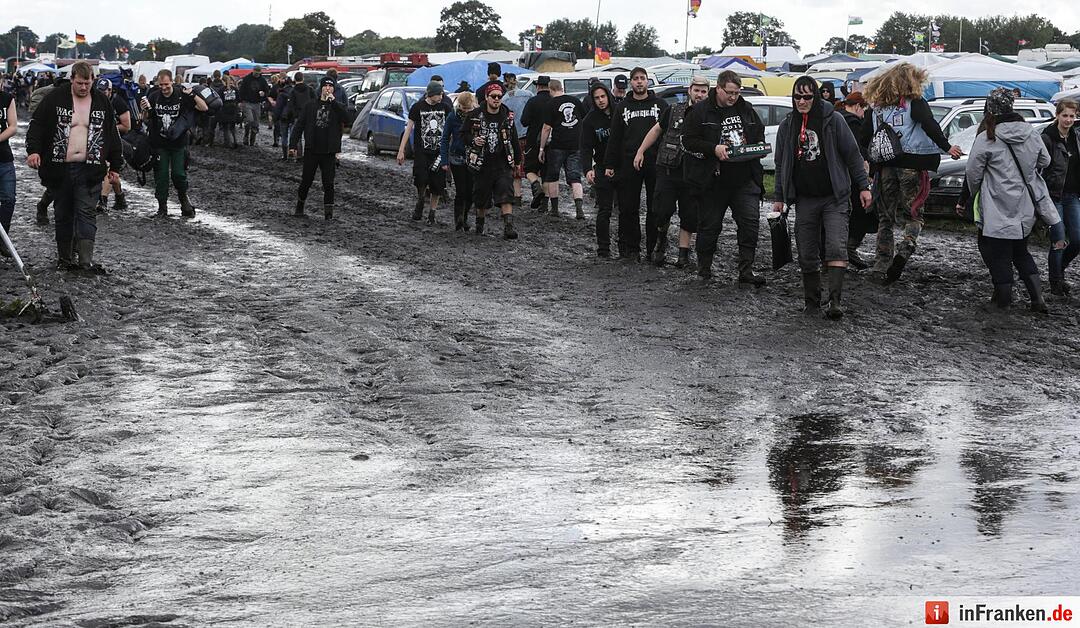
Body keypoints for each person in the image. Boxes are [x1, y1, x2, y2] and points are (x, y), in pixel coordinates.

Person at [773, 77, 873, 319]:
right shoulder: (787, 125)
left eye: (807, 97)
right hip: (805, 197)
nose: (802, 102)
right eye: (798, 97)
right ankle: (811, 302)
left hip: (834, 196)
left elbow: (852, 155)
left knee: (836, 246)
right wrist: (779, 196)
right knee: (806, 251)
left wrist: (863, 186)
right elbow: (780, 163)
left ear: (816, 97)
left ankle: (835, 302)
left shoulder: (834, 120)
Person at [860, 63, 962, 284]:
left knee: (885, 217)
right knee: (914, 214)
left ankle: (881, 262)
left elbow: (863, 137)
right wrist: (947, 148)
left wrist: (868, 163)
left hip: (885, 167)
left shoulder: (876, 108)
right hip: (912, 165)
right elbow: (930, 125)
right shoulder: (914, 104)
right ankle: (905, 250)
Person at [966, 88, 1064, 313]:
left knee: (1000, 254)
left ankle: (1003, 302)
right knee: (1021, 251)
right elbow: (1046, 160)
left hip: (996, 204)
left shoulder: (987, 137)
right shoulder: (1030, 132)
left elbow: (973, 173)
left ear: (989, 109)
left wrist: (975, 193)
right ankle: (1038, 300)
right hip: (1024, 205)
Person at [25, 61, 123, 272]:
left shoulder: (102, 102)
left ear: (92, 81)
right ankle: (65, 259)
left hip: (90, 168)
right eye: (79, 83)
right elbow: (37, 126)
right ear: (71, 80)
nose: (83, 87)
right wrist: (33, 151)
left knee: (87, 212)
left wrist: (115, 165)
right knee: (63, 213)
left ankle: (85, 261)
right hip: (60, 168)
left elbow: (112, 134)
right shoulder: (55, 98)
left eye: (87, 83)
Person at [682, 70, 768, 285]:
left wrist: (755, 148)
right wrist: (713, 149)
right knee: (709, 226)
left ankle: (746, 271)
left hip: (744, 178)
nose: (733, 97)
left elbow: (758, 133)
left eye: (737, 93)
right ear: (718, 88)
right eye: (729, 92)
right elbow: (688, 140)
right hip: (713, 179)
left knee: (750, 224)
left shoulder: (746, 109)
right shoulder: (701, 111)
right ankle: (704, 270)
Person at [634, 76, 710, 267]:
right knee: (661, 210)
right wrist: (640, 151)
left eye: (703, 91)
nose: (699, 95)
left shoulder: (709, 117)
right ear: (689, 91)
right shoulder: (674, 110)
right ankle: (662, 239)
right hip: (668, 170)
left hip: (693, 174)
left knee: (690, 215)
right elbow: (656, 131)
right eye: (697, 90)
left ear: (708, 93)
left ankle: (683, 254)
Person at [604, 67, 668, 262]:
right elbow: (615, 137)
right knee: (628, 207)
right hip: (628, 162)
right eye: (636, 79)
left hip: (655, 162)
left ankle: (653, 248)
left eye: (643, 78)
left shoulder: (661, 104)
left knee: (654, 207)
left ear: (648, 81)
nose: (639, 82)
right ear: (631, 82)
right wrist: (610, 163)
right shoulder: (623, 107)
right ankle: (629, 248)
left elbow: (667, 134)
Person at [141, 68, 208, 218]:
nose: (164, 88)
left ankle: (184, 201)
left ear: (171, 81)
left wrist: (192, 94)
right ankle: (162, 208)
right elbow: (146, 118)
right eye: (161, 85)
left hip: (178, 143)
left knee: (178, 174)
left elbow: (204, 107)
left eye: (166, 84)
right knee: (161, 176)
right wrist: (144, 110)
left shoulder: (181, 95)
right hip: (159, 143)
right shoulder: (153, 96)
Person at [463, 83, 520, 239]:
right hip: (482, 163)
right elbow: (463, 135)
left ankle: (508, 227)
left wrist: (518, 160)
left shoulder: (507, 115)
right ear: (487, 97)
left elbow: (513, 137)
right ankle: (480, 225)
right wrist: (474, 140)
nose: (496, 99)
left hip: (502, 162)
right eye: (493, 96)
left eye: (499, 96)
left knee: (506, 193)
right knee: (481, 198)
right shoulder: (474, 115)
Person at [290, 77, 348, 220]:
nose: (328, 88)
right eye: (325, 86)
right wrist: (293, 145)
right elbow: (299, 126)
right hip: (312, 149)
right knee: (306, 181)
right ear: (321, 88)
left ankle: (328, 213)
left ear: (334, 89)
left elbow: (347, 119)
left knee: (328, 183)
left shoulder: (337, 106)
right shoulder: (310, 106)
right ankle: (300, 206)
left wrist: (333, 102)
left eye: (330, 86)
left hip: (329, 151)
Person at [1041, 99, 1080, 296]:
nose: (1068, 120)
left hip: (1072, 195)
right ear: (1057, 115)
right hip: (1053, 194)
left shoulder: (1076, 136)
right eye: (1065, 115)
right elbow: (1040, 167)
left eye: (1072, 116)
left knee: (1077, 238)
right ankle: (1055, 281)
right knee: (1058, 238)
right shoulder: (1048, 137)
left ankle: (1060, 269)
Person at [399, 81, 452, 224]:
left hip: (439, 152)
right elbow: (408, 128)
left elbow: (451, 129)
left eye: (442, 93)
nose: (441, 96)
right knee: (420, 178)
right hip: (422, 150)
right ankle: (421, 199)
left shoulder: (446, 107)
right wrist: (401, 150)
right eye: (439, 94)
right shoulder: (417, 107)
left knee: (437, 184)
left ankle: (432, 214)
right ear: (431, 94)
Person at [539, 79, 585, 219]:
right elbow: (583, 119)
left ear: (550, 89)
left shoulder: (550, 104)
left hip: (558, 145)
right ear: (562, 88)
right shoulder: (576, 101)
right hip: (576, 144)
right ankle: (579, 210)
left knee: (553, 176)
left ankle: (554, 209)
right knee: (575, 178)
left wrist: (541, 148)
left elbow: (547, 128)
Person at [838, 91, 874, 269]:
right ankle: (848, 248)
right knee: (861, 212)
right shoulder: (852, 122)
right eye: (864, 109)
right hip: (853, 175)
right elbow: (857, 149)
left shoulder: (836, 118)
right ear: (858, 106)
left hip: (840, 175)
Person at [581, 82, 615, 257]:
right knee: (604, 209)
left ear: (608, 95)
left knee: (627, 209)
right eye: (597, 98)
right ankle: (603, 248)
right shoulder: (590, 120)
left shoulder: (619, 112)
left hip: (622, 166)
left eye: (603, 96)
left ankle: (628, 248)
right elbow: (585, 147)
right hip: (601, 167)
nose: (601, 101)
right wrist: (587, 169)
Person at [441, 91, 478, 231]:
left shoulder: (477, 116)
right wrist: (444, 160)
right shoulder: (452, 116)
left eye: (469, 109)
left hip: (473, 157)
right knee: (461, 190)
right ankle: (459, 219)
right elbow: (445, 138)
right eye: (464, 108)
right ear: (459, 105)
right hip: (456, 157)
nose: (466, 111)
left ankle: (465, 216)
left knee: (470, 191)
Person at [520, 75, 552, 210]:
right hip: (551, 142)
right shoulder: (553, 101)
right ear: (549, 87)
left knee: (529, 169)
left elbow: (524, 121)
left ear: (538, 86)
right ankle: (544, 204)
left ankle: (535, 186)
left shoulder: (532, 101)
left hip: (533, 141)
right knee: (546, 173)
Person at [0, 83, 16, 257]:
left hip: (4, 158)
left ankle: (2, 239)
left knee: (9, 199)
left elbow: (13, 126)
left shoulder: (6, 98)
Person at [238, 66, 272, 146]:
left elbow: (267, 91)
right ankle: (246, 135)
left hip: (257, 103)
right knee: (249, 120)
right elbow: (241, 90)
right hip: (247, 102)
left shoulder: (262, 80)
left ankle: (252, 140)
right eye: (256, 72)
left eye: (258, 73)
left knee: (256, 123)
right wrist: (240, 101)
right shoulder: (247, 79)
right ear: (253, 71)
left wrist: (264, 94)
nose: (257, 74)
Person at [217, 76, 241, 149]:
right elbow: (239, 99)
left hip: (225, 109)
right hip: (234, 109)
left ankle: (228, 143)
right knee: (233, 127)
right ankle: (235, 141)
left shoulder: (221, 90)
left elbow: (219, 100)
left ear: (223, 81)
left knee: (225, 128)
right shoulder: (235, 89)